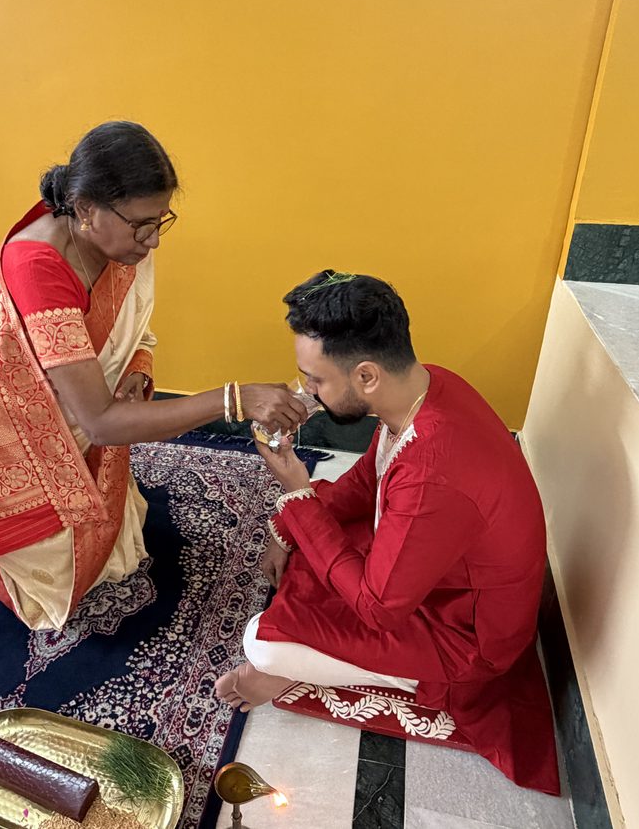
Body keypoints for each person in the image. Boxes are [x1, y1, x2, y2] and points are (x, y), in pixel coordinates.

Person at [0, 121, 305, 630]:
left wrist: (135, 367)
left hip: (72, 407)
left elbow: (127, 336)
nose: (153, 240)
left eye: (161, 220)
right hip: (5, 433)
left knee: (113, 545)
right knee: (62, 580)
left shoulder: (111, 240)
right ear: (86, 208)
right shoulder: (38, 269)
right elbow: (102, 424)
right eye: (141, 224)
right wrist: (233, 399)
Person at [213, 271, 560, 794]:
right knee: (319, 527)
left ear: (367, 376)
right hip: (441, 583)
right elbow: (366, 481)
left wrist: (296, 494)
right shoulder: (428, 386)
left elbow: (377, 608)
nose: (305, 391)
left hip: (465, 638)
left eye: (316, 379)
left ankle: (296, 671)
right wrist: (290, 522)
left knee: (262, 644)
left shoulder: (431, 473)